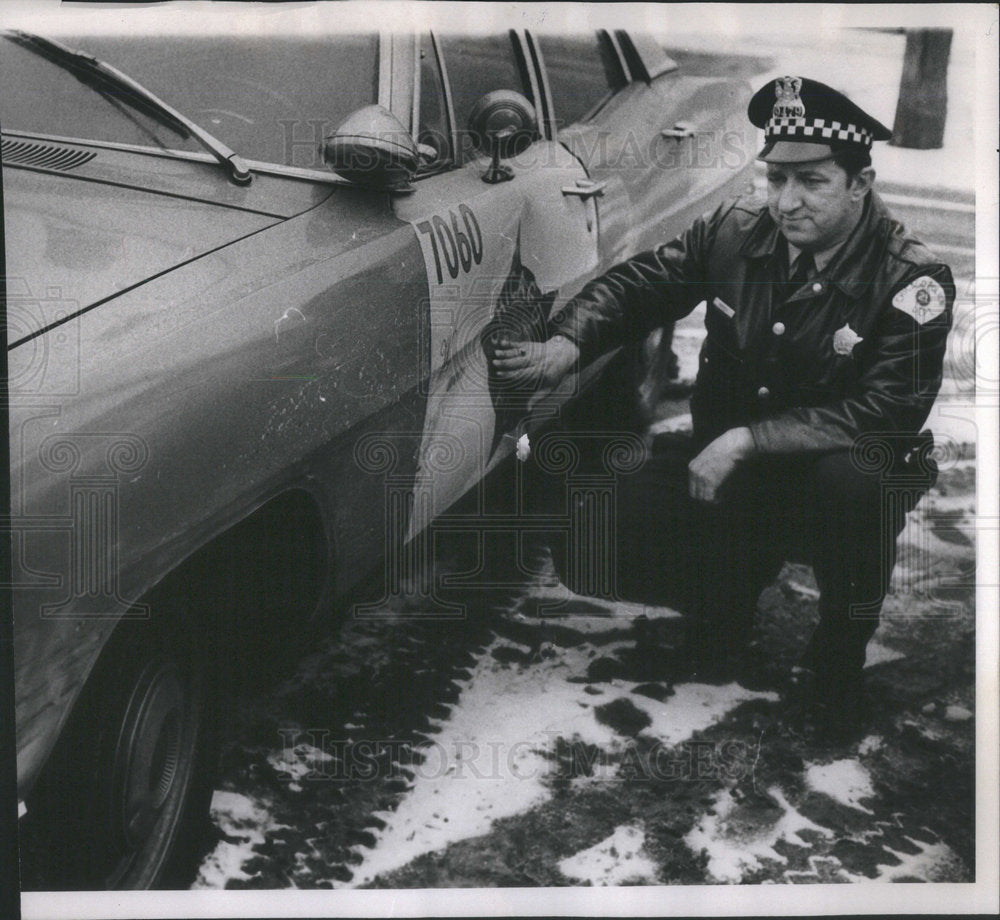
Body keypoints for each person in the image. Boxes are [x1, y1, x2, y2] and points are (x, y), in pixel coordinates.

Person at [490, 76, 955, 737]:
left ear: (861, 182)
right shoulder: (737, 230)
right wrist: (567, 343)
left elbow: (887, 410)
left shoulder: (912, 277)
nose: (786, 202)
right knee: (588, 534)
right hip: (733, 461)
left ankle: (838, 656)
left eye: (811, 182)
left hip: (830, 470)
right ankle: (722, 614)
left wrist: (747, 441)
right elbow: (644, 284)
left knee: (860, 483)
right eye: (776, 178)